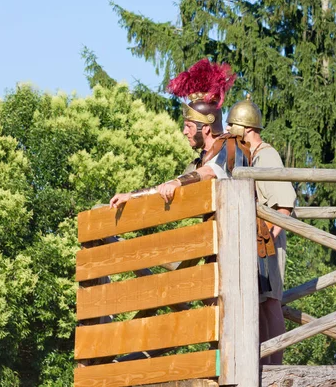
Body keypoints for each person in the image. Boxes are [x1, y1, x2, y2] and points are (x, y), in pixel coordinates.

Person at [109, 58, 249, 208]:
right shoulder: (200, 163)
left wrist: (177, 182)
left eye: (189, 126)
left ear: (206, 128)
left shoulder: (231, 144)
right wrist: (131, 196)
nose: (184, 131)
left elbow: (210, 172)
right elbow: (167, 187)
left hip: (240, 227)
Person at [226, 95, 297, 365]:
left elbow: (284, 207)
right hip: (254, 244)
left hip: (266, 244)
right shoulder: (247, 159)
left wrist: (262, 242)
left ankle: (274, 366)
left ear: (245, 129)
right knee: (255, 305)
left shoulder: (266, 155)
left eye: (232, 126)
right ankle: (259, 364)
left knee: (269, 304)